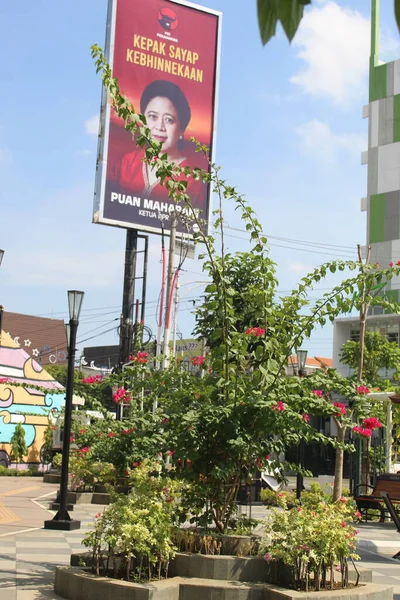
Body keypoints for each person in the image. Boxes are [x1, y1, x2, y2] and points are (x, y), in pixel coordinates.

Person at [109, 79, 207, 208]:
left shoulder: (190, 180)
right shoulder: (128, 163)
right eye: (153, 117)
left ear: (182, 129)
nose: (160, 127)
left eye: (169, 120)